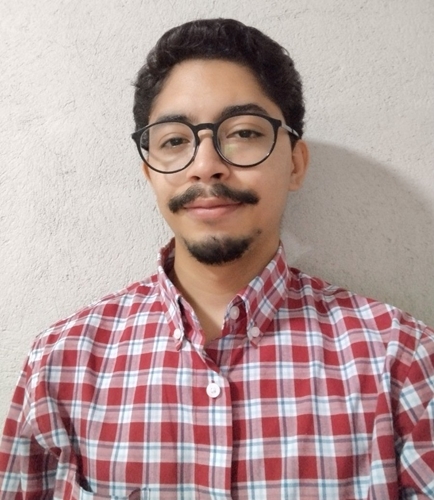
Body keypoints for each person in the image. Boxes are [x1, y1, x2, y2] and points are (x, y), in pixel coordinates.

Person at [0, 18, 433, 500]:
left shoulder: (401, 361)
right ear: (149, 173)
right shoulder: (61, 364)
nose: (206, 165)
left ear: (295, 164)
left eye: (243, 132)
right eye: (174, 140)